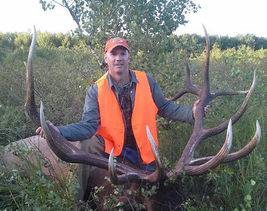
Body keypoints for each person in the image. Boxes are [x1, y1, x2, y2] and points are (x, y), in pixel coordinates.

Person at [36, 37, 206, 201]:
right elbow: (88, 126)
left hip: (143, 149)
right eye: (113, 54)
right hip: (110, 147)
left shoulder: (146, 81)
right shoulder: (96, 90)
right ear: (106, 58)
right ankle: (75, 201)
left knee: (158, 191)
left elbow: (165, 107)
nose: (118, 58)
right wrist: (59, 131)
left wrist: (191, 113)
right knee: (86, 144)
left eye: (122, 54)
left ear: (128, 57)